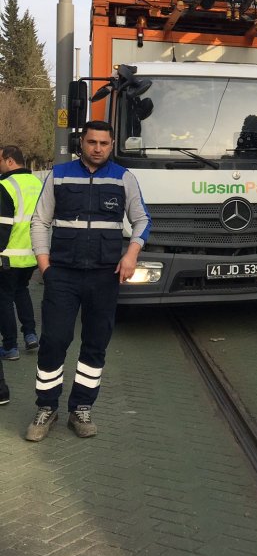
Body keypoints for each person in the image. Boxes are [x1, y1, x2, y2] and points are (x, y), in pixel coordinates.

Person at [26, 120, 151, 442]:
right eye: (92, 142)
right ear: (82, 142)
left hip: (104, 275)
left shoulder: (124, 178)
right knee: (54, 340)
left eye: (104, 143)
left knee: (95, 344)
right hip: (62, 275)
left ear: (112, 145)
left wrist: (131, 254)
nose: (97, 148)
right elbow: (40, 220)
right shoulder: (60, 174)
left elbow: (142, 220)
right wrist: (45, 265)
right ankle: (46, 407)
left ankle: (81, 407)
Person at [0, 145, 43, 365]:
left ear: (9, 161)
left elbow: (3, 226)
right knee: (22, 291)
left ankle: (9, 346)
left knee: (4, 300)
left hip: (8, 256)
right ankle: (30, 335)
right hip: (32, 255)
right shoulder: (37, 184)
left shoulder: (5, 186)